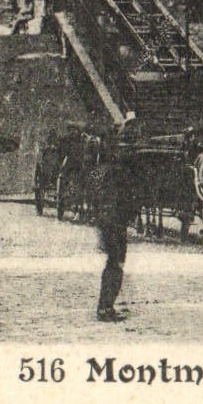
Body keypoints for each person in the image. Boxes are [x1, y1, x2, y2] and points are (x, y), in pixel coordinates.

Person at [90, 113, 140, 322]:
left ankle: (106, 305)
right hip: (114, 219)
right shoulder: (123, 172)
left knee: (115, 262)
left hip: (108, 218)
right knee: (116, 262)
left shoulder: (108, 170)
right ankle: (105, 308)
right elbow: (127, 198)